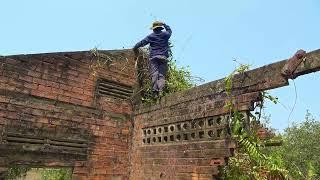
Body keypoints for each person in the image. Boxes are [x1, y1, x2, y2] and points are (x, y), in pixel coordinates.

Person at [133, 21, 172, 98]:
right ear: (160, 28)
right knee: (161, 75)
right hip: (163, 57)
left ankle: (155, 92)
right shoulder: (165, 35)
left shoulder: (151, 36)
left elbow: (141, 43)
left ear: (154, 29)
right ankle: (160, 91)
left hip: (154, 57)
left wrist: (135, 47)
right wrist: (164, 24)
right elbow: (169, 31)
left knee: (154, 74)